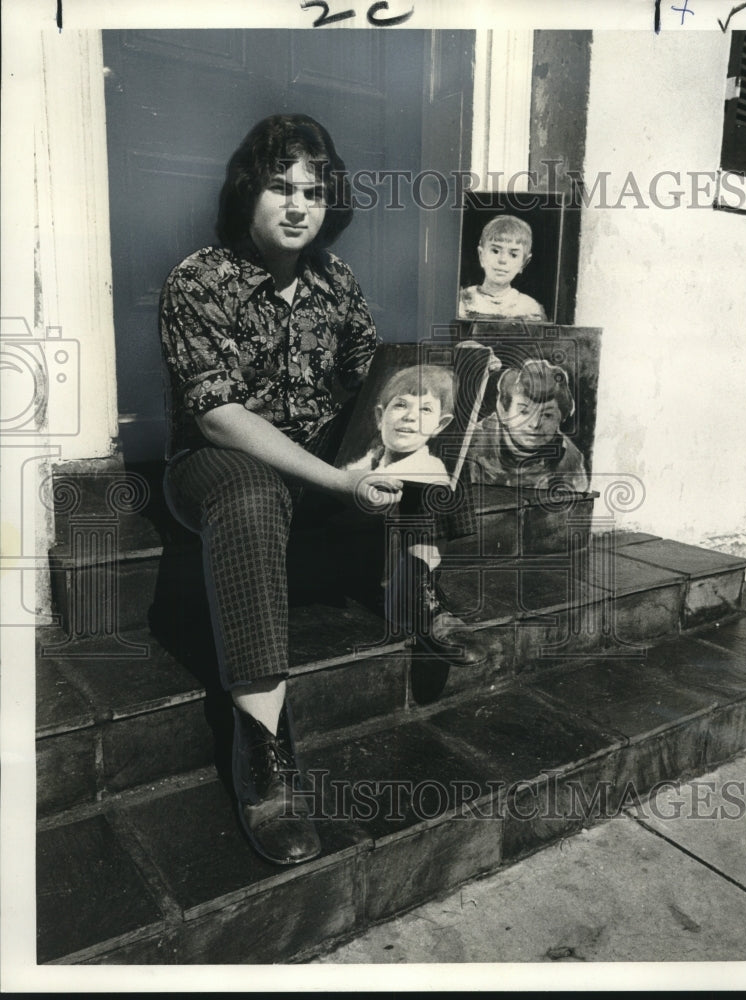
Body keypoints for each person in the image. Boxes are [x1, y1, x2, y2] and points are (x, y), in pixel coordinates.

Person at [159, 114, 474, 868]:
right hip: (217, 465)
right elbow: (220, 416)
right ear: (249, 193)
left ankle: (418, 591)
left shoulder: (335, 280)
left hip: (322, 458)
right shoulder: (199, 279)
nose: (299, 205)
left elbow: (375, 379)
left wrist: (444, 387)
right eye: (280, 187)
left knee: (426, 434)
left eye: (314, 190)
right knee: (249, 493)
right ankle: (264, 755)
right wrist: (339, 479)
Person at [467, 358, 588, 491]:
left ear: (561, 417)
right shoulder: (472, 444)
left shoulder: (569, 458)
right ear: (503, 410)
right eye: (524, 411)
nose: (535, 424)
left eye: (547, 415)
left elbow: (575, 505)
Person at [344, 364, 455, 485]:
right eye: (401, 405)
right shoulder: (362, 464)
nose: (410, 416)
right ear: (380, 416)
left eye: (425, 409)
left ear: (439, 425)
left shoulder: (432, 474)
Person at [458, 215, 547, 321]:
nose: (502, 260)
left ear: (524, 263)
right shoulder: (461, 301)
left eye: (513, 255)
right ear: (481, 255)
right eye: (495, 251)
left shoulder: (530, 308)